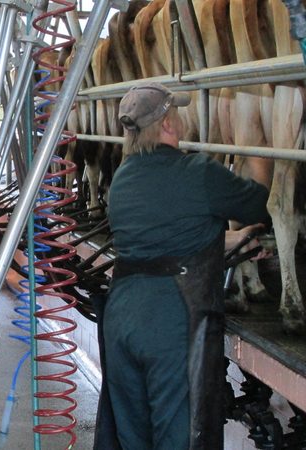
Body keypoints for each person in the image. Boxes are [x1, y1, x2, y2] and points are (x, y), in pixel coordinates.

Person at [93, 82, 271, 450]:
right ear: (169, 124)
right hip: (170, 318)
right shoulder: (199, 171)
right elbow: (257, 205)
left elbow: (163, 239)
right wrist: (258, 154)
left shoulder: (124, 178)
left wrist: (231, 241)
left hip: (122, 312)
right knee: (179, 434)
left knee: (132, 435)